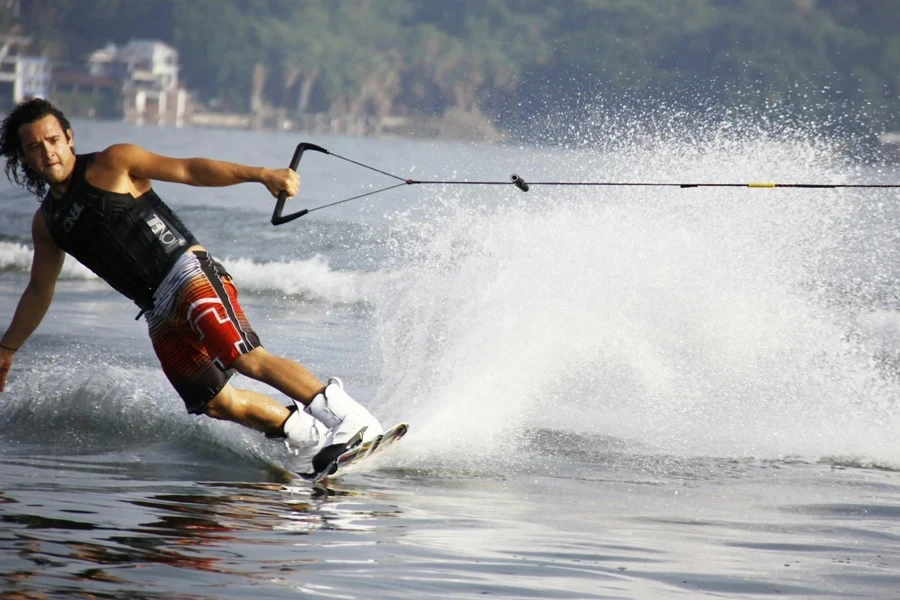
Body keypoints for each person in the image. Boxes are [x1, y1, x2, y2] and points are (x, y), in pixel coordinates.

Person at [0, 98, 383, 472]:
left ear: (68, 137)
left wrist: (261, 174)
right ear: (23, 157)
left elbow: (189, 170)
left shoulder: (112, 162)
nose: (47, 152)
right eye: (34, 146)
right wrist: (7, 348)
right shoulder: (48, 223)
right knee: (215, 402)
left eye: (52, 140)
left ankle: (350, 418)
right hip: (156, 311)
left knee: (245, 357)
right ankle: (309, 437)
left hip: (186, 273)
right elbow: (39, 289)